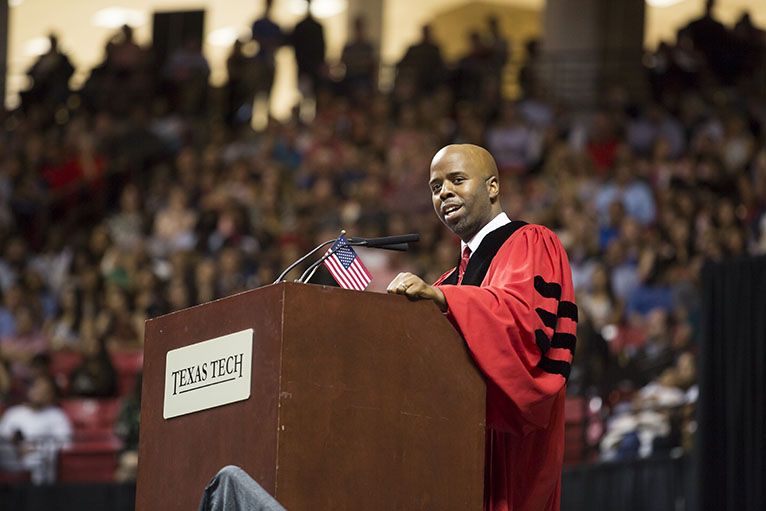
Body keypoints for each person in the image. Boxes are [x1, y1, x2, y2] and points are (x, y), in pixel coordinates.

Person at [386, 144, 577, 511]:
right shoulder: (448, 282)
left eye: (457, 180)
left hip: (514, 448)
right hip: (458, 456)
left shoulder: (533, 243)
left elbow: (522, 322)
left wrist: (445, 302)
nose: (444, 192)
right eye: (435, 186)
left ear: (492, 187)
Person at [0, 374, 72, 484]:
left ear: (51, 395)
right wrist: (17, 445)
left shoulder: (56, 415)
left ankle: (38, 497)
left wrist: (35, 449)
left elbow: (65, 443)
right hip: (12, 457)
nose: (39, 393)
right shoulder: (14, 412)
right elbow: (2, 437)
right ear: (30, 390)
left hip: (40, 458)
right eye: (37, 388)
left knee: (35, 459)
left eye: (44, 391)